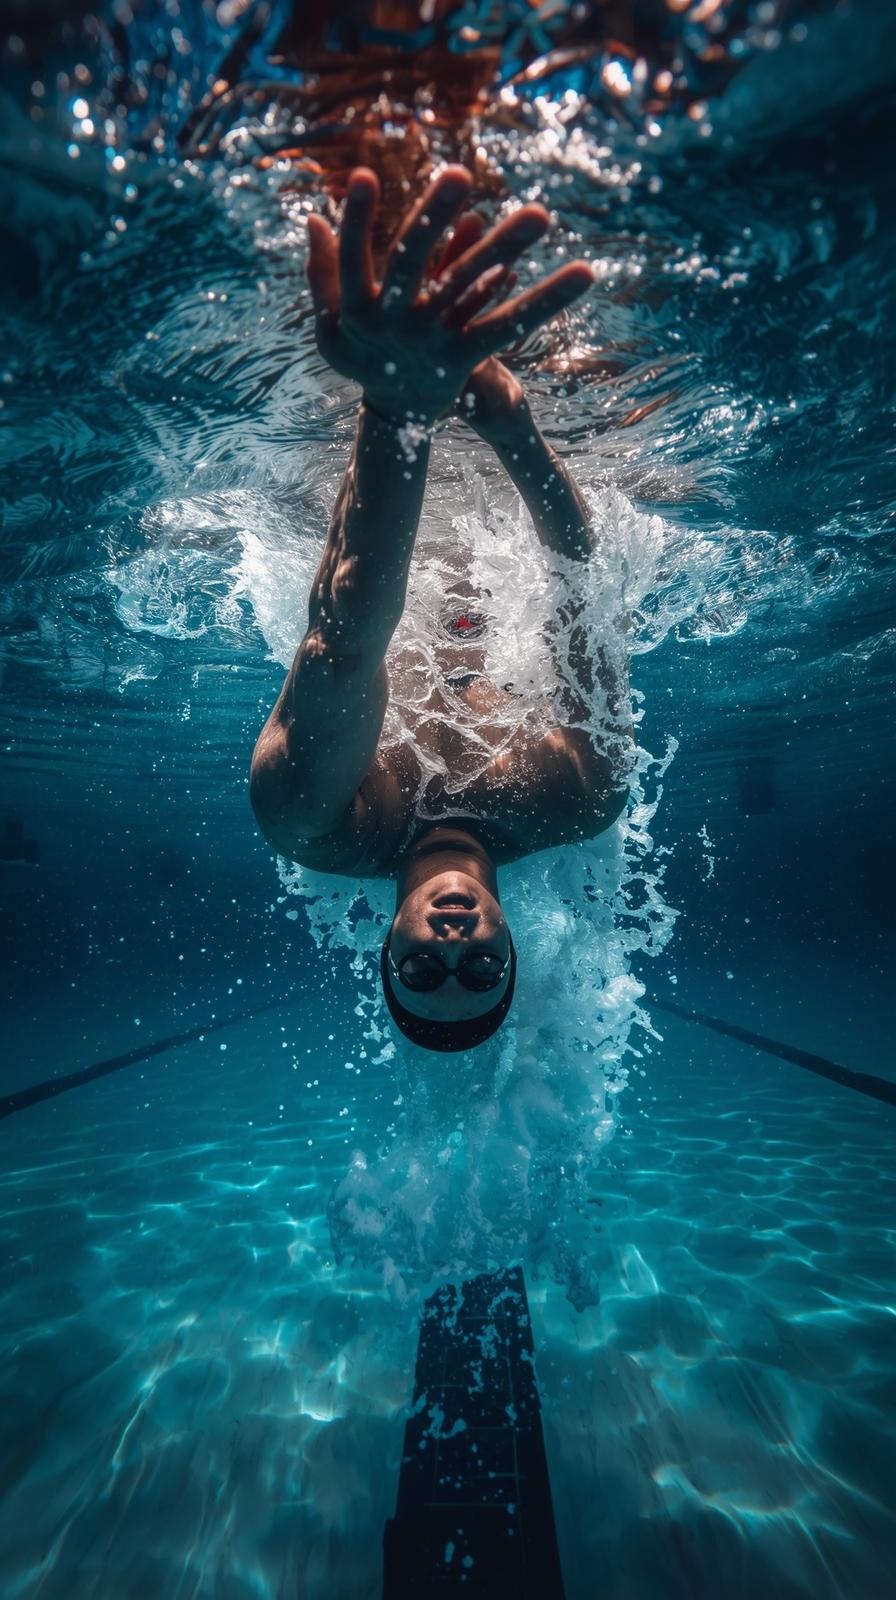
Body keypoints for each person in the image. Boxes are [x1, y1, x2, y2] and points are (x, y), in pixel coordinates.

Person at [250, 163, 631, 1052]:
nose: (451, 951)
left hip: (381, 411)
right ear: (512, 949)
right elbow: (579, 581)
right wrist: (513, 429)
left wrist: (399, 406)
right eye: (480, 972)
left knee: (347, 174)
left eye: (421, 973)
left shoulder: (316, 819)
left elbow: (343, 639)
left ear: (384, 945)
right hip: (508, 429)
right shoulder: (574, 800)